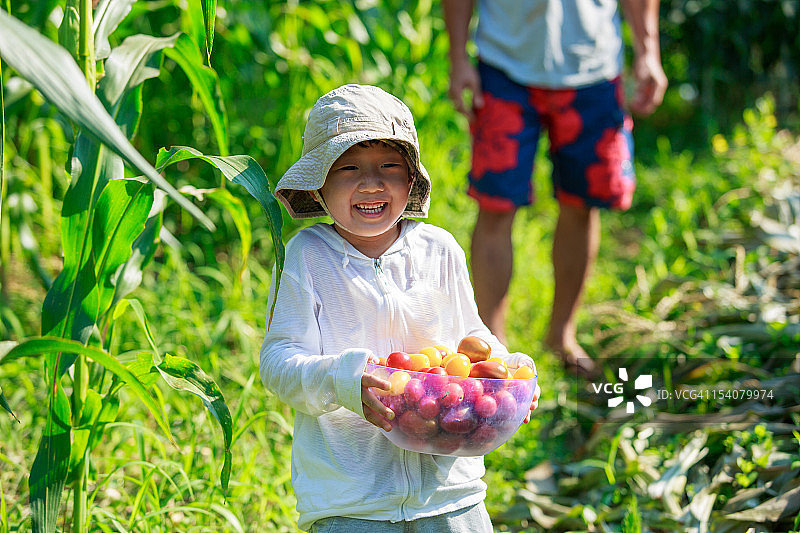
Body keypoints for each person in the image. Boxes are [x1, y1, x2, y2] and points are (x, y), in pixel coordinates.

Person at [260, 84, 540, 533]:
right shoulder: (306, 257)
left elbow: (473, 339)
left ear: (411, 179)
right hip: (351, 501)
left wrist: (507, 371)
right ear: (318, 183)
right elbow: (279, 363)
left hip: (450, 491)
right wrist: (345, 378)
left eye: (389, 166)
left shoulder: (439, 249)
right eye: (348, 168)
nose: (371, 183)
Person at [442, 0, 668, 376]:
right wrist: (457, 57)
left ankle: (561, 334)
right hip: (504, 64)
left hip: (593, 70)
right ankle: (492, 346)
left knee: (583, 204)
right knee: (496, 205)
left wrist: (648, 50)